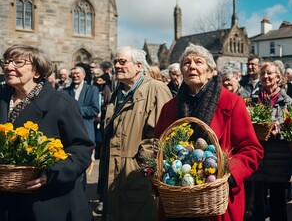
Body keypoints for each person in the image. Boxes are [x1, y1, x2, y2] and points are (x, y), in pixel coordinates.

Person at [154, 43, 264, 221]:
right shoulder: (170, 108)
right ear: (182, 71)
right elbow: (157, 147)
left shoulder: (232, 103)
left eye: (198, 62)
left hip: (217, 200)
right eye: (186, 63)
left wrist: (227, 175)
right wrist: (159, 174)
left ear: (211, 71)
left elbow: (252, 150)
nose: (192, 66)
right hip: (177, 200)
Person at [0, 44, 94, 220]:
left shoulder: (61, 103)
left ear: (37, 72)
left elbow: (81, 150)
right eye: (6, 62)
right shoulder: (2, 98)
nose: (8, 67)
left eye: (18, 62)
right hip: (5, 203)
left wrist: (51, 174)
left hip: (48, 202)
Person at [99, 46, 172, 221]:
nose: (117, 65)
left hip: (138, 178)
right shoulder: (118, 93)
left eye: (122, 61)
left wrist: (141, 165)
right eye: (115, 61)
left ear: (139, 65)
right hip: (114, 175)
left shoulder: (156, 89)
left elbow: (164, 134)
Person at [247, 61, 292, 221]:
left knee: (278, 203)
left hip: (278, 160)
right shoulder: (253, 101)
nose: (265, 76)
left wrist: (279, 131)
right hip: (258, 159)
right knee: (257, 205)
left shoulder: (287, 102)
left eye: (269, 73)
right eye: (263, 74)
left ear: (278, 77)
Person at [62, 66, 100, 144]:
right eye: (73, 74)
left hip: (86, 133)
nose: (75, 76)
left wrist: (74, 110)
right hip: (69, 134)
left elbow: (94, 110)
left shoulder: (92, 89)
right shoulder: (65, 91)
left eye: (77, 73)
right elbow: (62, 110)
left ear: (84, 75)